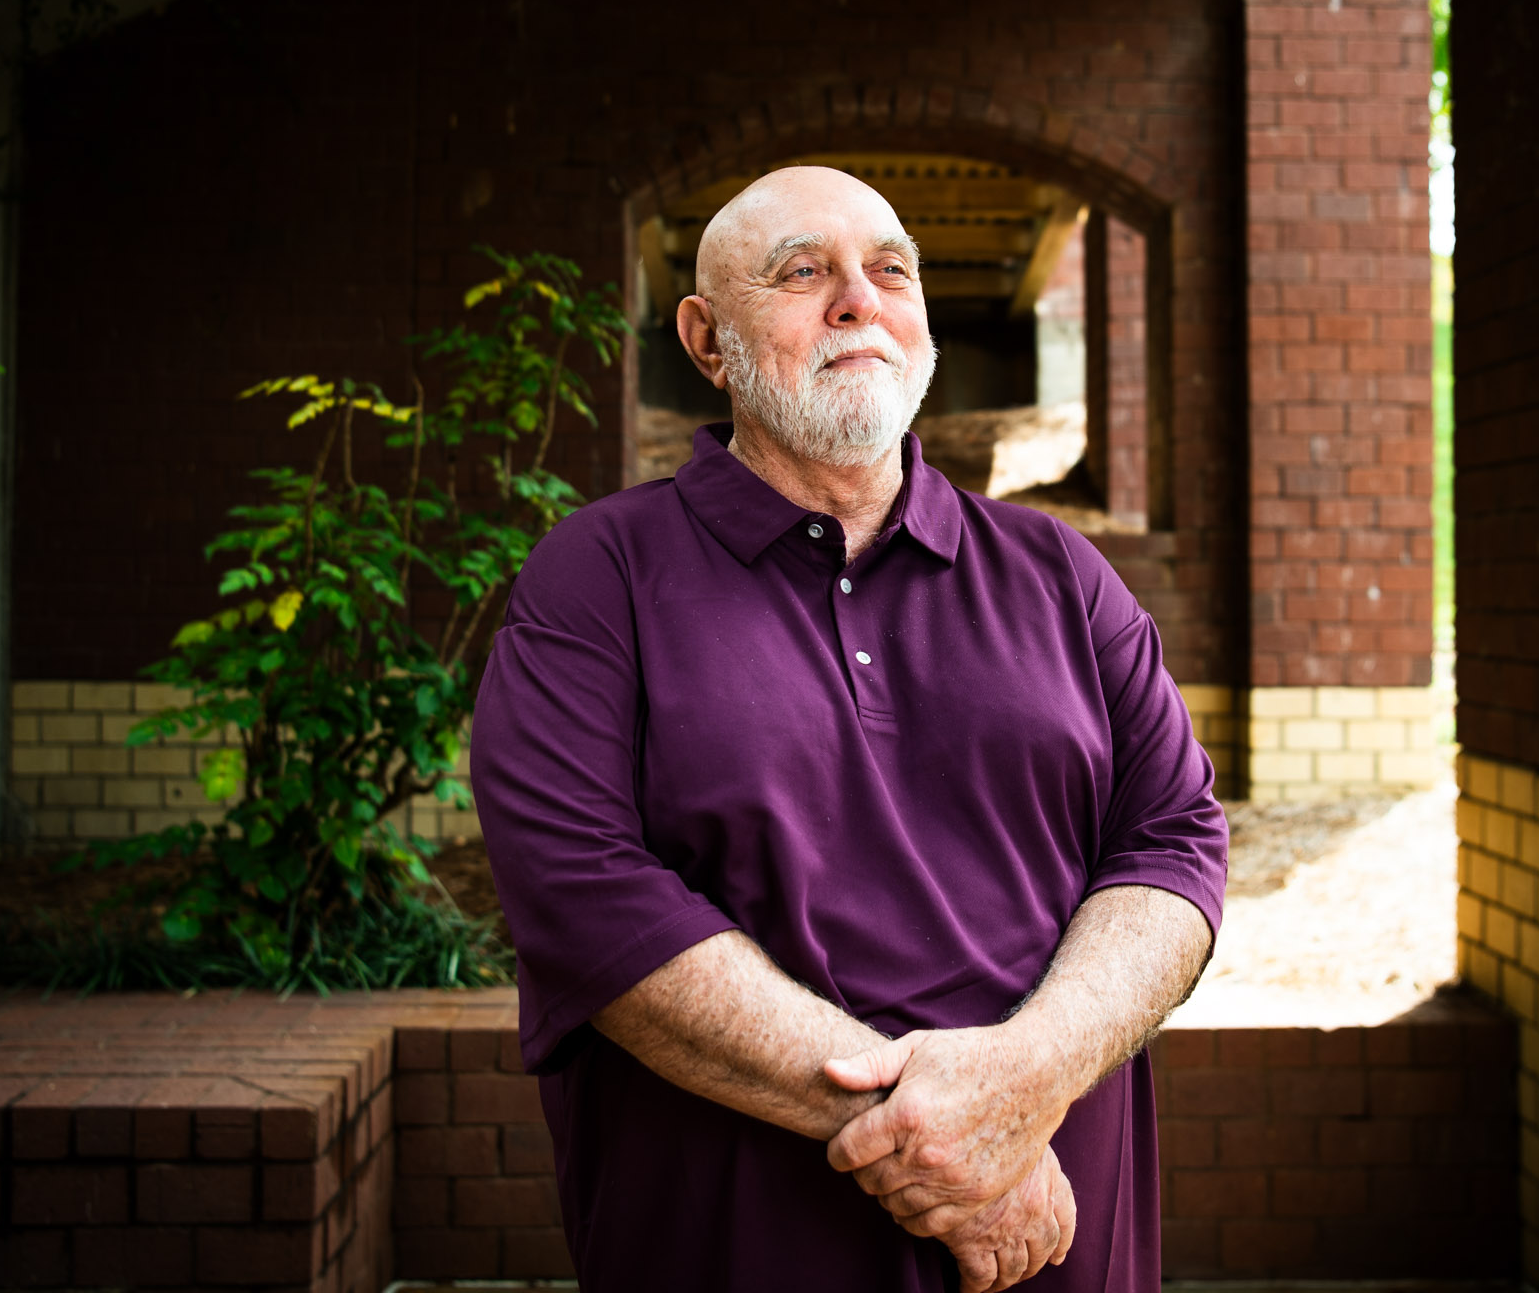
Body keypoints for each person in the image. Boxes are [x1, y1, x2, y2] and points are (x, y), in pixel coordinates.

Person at [470, 165, 1227, 1293]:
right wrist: (951, 1139)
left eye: (890, 270)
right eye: (802, 271)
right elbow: (582, 894)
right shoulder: (599, 576)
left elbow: (1174, 840)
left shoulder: (1061, 573)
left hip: (1055, 1251)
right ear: (709, 338)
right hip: (738, 1249)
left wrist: (1028, 1074)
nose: (857, 299)